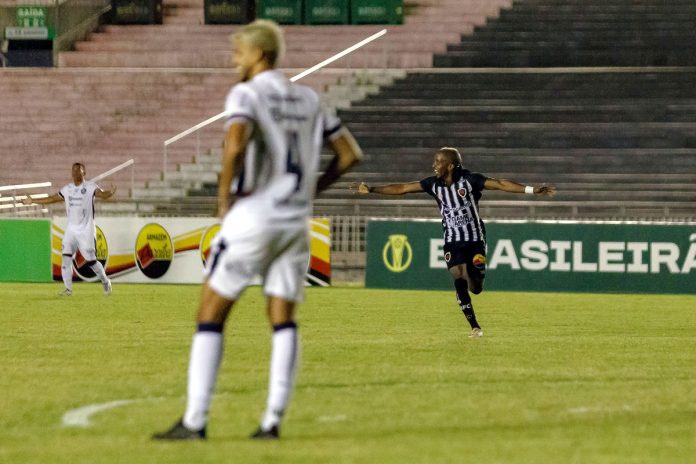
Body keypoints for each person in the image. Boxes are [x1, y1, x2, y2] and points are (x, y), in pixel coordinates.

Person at [153, 20, 362, 441]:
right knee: (282, 319)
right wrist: (309, 191)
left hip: (254, 216)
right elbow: (348, 153)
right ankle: (271, 422)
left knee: (210, 311)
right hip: (294, 222)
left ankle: (194, 421)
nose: (235, 60)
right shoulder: (308, 98)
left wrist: (223, 201)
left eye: (240, 53)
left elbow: (234, 142)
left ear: (260, 54)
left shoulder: (246, 94)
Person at [352, 147, 555, 338]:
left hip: (475, 238)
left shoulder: (470, 180)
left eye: (439, 161)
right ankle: (475, 326)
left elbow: (501, 184)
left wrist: (531, 190)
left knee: (476, 288)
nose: (434, 164)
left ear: (450, 165)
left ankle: (475, 273)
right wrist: (371, 189)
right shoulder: (433, 184)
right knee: (457, 274)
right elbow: (403, 187)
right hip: (452, 240)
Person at [23, 162, 115, 296]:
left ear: (84, 173)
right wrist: (33, 201)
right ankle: (68, 289)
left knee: (91, 261)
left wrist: (109, 193)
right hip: (71, 230)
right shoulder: (67, 189)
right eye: (74, 171)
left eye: (78, 170)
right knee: (65, 256)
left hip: (86, 230)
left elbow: (102, 194)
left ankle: (105, 281)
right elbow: (52, 198)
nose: (75, 173)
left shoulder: (90, 187)